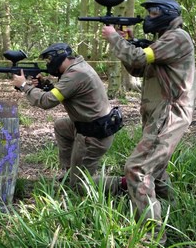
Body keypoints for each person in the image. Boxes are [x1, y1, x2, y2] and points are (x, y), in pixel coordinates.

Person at [101, 0, 196, 245]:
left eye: (153, 13)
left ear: (166, 13)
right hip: (160, 112)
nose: (148, 18)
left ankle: (152, 237)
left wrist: (115, 38)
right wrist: (129, 43)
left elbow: (137, 59)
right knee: (156, 170)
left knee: (138, 169)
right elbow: (137, 69)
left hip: (170, 112)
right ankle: (175, 212)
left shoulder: (177, 38)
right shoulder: (163, 42)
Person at [12, 43, 123, 190]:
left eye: (49, 60)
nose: (48, 64)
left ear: (58, 58)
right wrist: (44, 84)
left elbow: (47, 102)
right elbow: (63, 92)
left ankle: (126, 182)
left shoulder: (76, 74)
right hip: (91, 126)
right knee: (61, 126)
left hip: (94, 135)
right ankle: (70, 172)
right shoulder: (78, 67)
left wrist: (24, 85)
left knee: (79, 186)